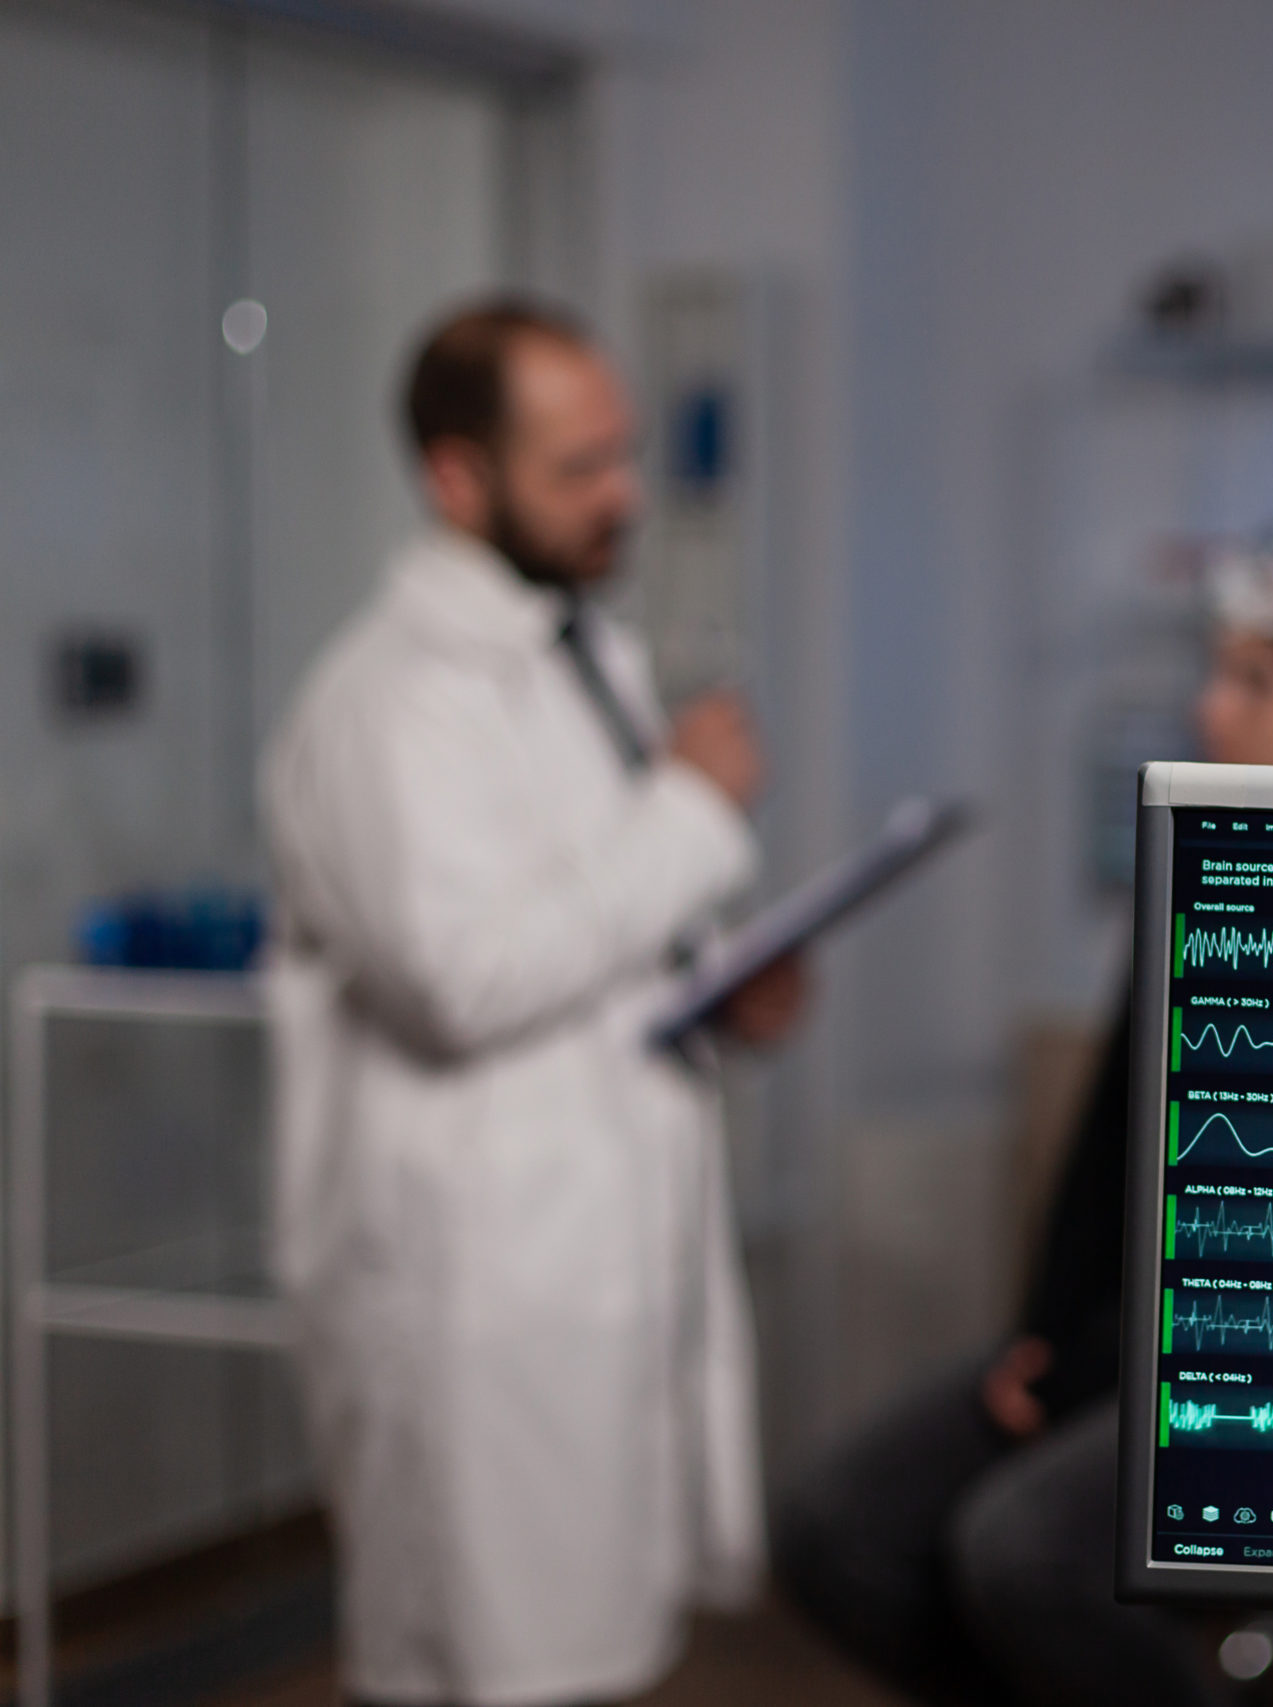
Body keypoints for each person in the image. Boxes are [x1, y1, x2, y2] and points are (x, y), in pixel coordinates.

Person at [773, 523, 1273, 1707]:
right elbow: (1111, 1146)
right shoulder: (1204, 863)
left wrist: (1098, 1367)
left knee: (1026, 1552)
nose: (1209, 713)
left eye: (1255, 684)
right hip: (1119, 1340)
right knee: (834, 1526)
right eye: (1215, 674)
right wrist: (1043, 1332)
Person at [262, 299, 806, 1706]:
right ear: (458, 476)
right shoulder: (388, 702)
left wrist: (719, 980)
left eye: (621, 454)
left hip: (602, 1245)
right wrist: (692, 805)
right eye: (577, 466)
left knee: (599, 1645)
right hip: (475, 1285)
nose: (622, 493)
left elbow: (596, 920)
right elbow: (465, 980)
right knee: (484, 1659)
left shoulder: (578, 654)